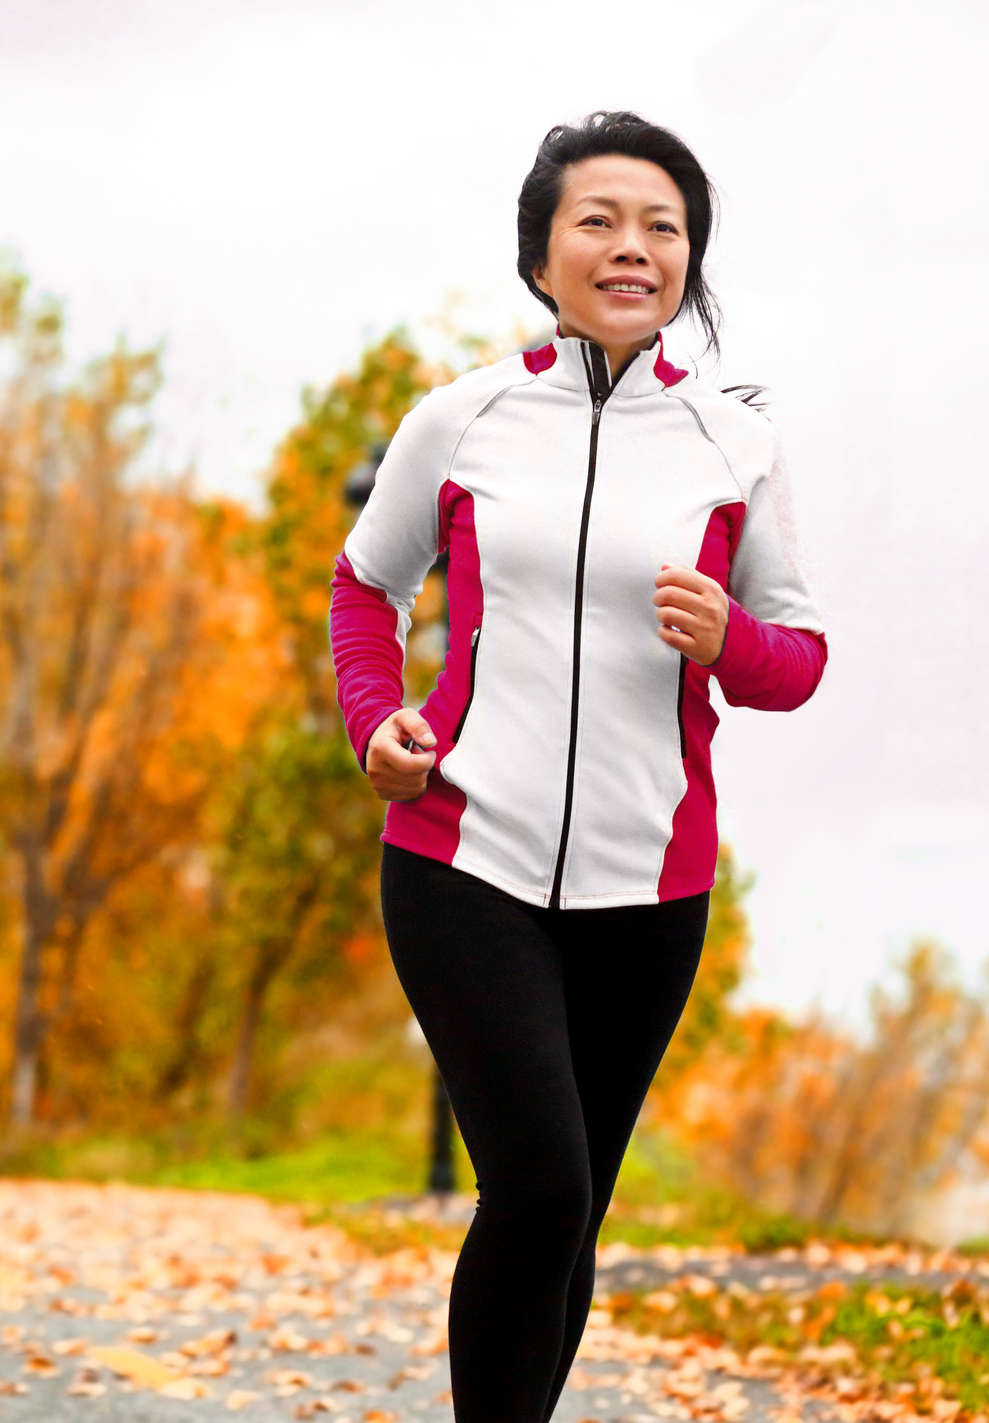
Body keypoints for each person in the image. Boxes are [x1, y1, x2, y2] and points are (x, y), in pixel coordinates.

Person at [328, 111, 827, 1422]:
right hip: (459, 854)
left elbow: (798, 661)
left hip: (646, 883)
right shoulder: (462, 416)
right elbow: (363, 587)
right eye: (598, 220)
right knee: (539, 1183)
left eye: (661, 226)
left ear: (687, 260)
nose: (631, 247)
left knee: (573, 1209)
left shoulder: (734, 444)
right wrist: (374, 724)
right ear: (539, 253)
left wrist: (731, 642)